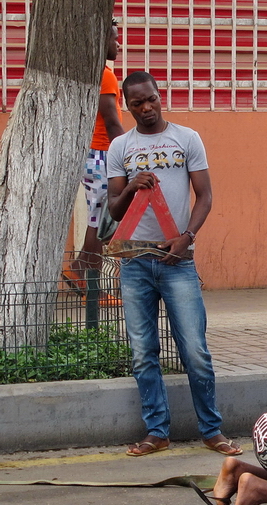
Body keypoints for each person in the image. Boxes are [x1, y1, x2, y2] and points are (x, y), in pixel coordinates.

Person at [106, 71, 241, 458]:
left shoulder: (186, 138)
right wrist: (132, 185)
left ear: (159, 96)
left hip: (177, 260)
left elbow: (205, 196)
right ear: (127, 107)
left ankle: (212, 430)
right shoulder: (121, 147)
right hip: (134, 262)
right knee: (142, 351)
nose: (146, 108)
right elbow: (115, 209)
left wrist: (187, 237)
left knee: (195, 349)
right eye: (137, 103)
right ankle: (157, 432)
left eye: (151, 99)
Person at [64, 19, 125, 306]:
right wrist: (128, 153)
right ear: (100, 41)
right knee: (102, 220)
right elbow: (112, 122)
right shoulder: (105, 75)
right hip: (102, 152)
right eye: (115, 38)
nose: (119, 44)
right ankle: (91, 283)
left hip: (93, 152)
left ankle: (80, 269)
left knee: (97, 218)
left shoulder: (91, 72)